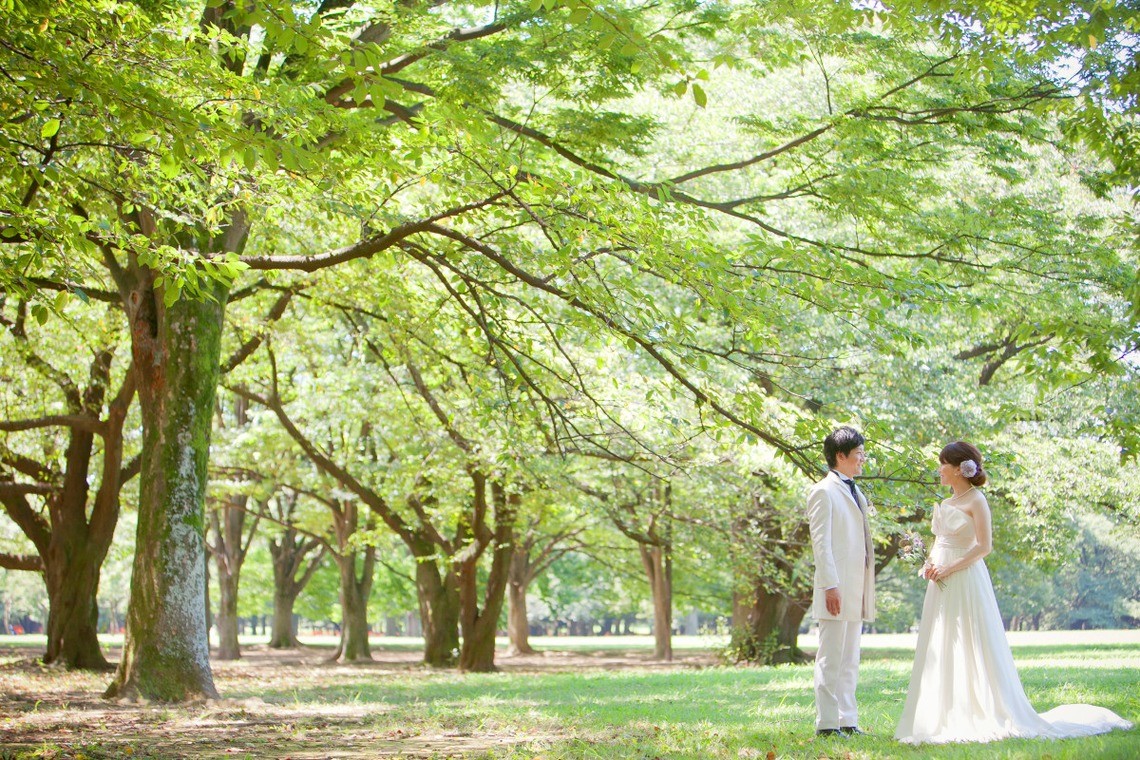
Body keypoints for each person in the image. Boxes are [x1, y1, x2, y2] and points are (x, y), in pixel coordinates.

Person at [895, 441, 1133, 744]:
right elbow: (940, 542)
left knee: (972, 639)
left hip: (965, 577)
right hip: (940, 580)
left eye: (943, 463)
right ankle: (942, 712)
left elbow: (984, 546)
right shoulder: (946, 502)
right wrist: (930, 565)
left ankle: (983, 710)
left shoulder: (976, 500)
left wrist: (950, 568)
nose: (939, 469)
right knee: (941, 641)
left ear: (958, 468)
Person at [806, 426, 875, 737]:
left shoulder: (855, 490)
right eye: (858, 454)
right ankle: (827, 723)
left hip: (856, 586)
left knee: (850, 658)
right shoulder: (823, 491)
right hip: (835, 587)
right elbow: (821, 544)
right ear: (840, 456)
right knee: (831, 657)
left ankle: (848, 719)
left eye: (863, 453)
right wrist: (829, 585)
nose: (862, 459)